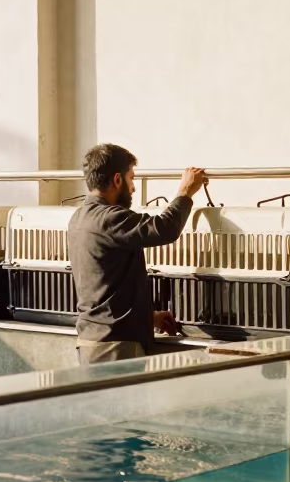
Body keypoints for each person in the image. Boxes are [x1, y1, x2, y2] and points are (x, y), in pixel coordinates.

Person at [68, 143, 207, 365]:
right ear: (116, 180)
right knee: (123, 400)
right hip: (115, 346)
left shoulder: (79, 218)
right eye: (131, 179)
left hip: (95, 340)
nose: (133, 188)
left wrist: (147, 318)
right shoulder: (109, 218)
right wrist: (186, 191)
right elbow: (165, 228)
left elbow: (104, 285)